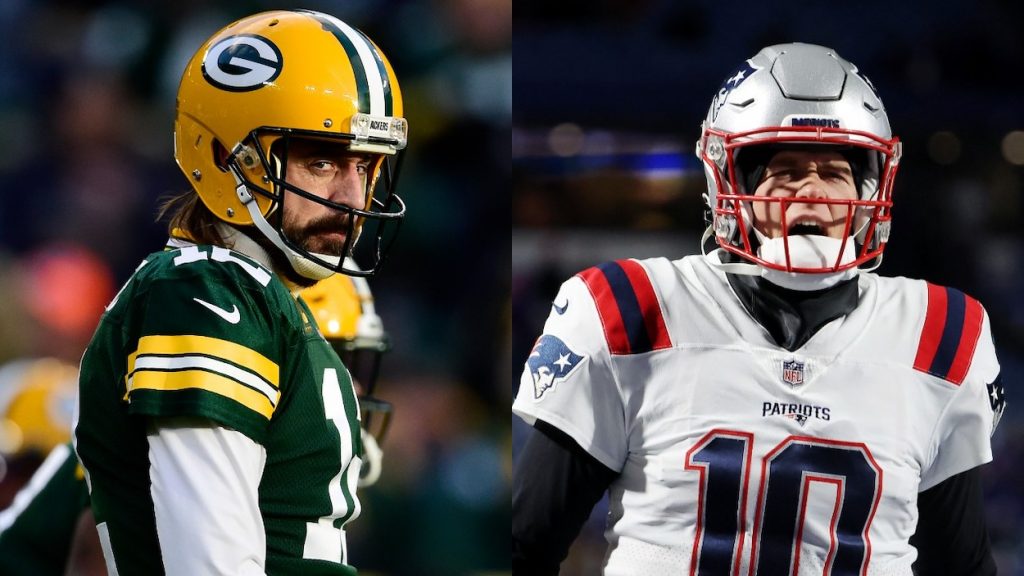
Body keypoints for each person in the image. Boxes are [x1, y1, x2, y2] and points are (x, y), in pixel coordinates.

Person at [512, 43, 1007, 576]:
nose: (813, 190)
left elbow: (963, 564)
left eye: (835, 172)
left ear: (871, 190)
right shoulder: (632, 308)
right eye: (786, 170)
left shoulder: (940, 333)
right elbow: (529, 543)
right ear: (731, 182)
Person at [73, 9, 409, 575]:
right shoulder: (204, 288)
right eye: (322, 161)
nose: (353, 197)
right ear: (227, 157)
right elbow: (209, 563)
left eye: (366, 165)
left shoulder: (266, 298)